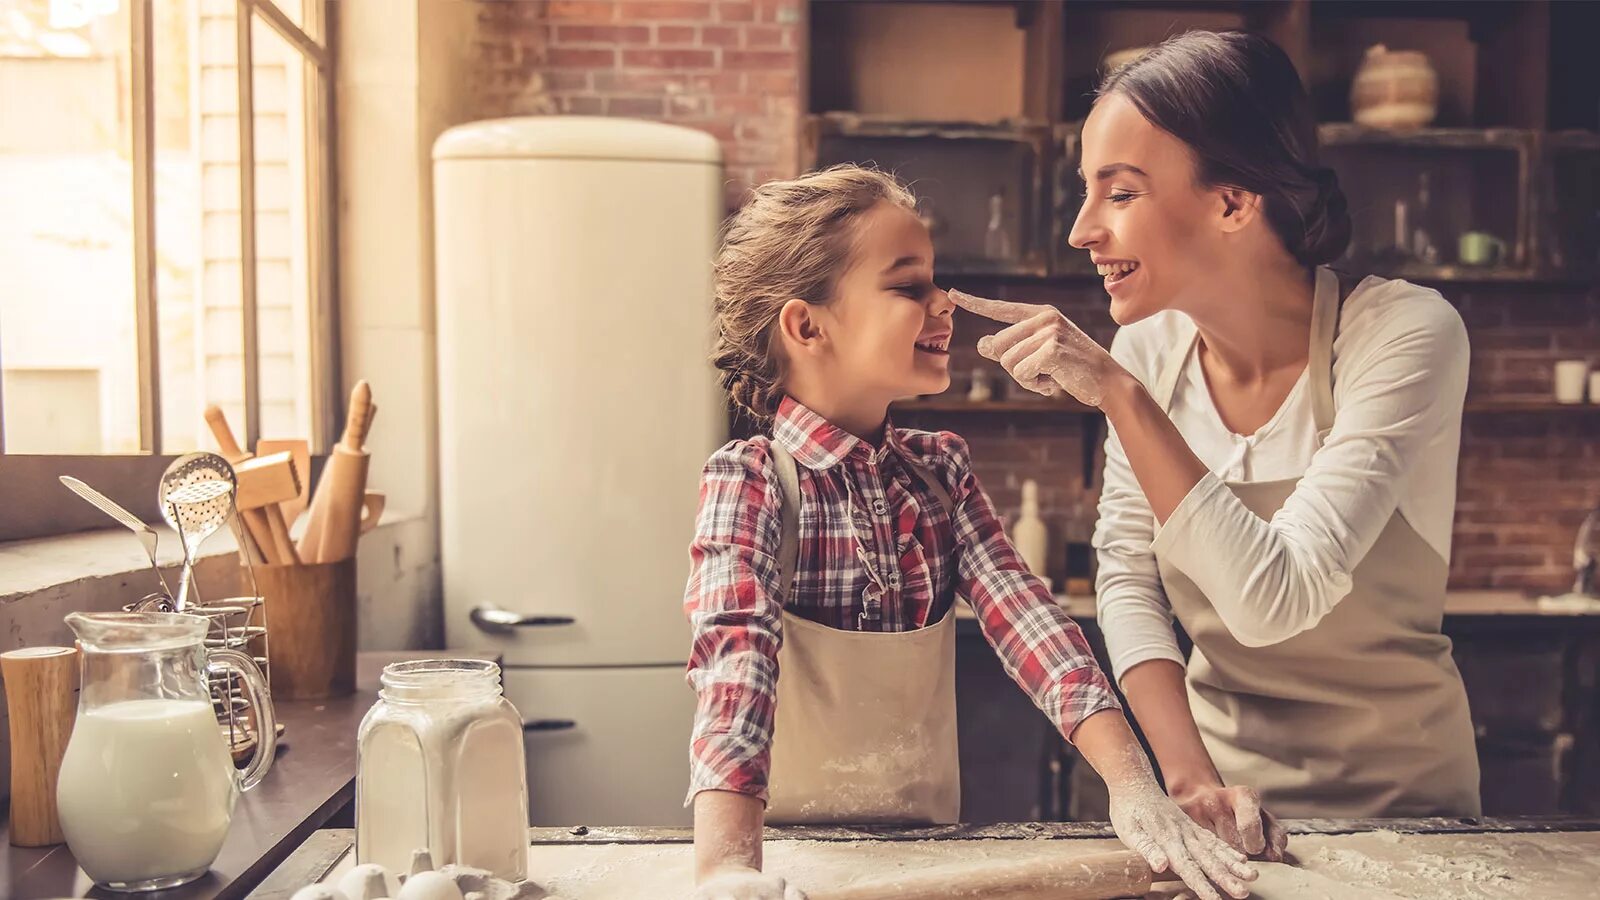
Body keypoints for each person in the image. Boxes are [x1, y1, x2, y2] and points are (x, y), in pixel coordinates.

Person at [956, 29, 1481, 857]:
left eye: (1120, 194)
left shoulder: (1402, 335)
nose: (1082, 231)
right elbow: (1127, 574)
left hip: (1409, 812)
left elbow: (1277, 597)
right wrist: (1189, 777)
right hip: (1225, 804)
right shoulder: (1150, 352)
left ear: (1233, 203)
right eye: (1085, 193)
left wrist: (1121, 398)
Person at [682, 165, 1257, 900]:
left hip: (927, 855)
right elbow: (736, 670)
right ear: (806, 326)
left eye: (937, 280)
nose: (944, 303)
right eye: (908, 286)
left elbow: (1030, 622)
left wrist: (1133, 785)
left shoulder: (938, 472)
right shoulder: (753, 480)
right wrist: (726, 868)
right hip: (790, 865)